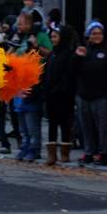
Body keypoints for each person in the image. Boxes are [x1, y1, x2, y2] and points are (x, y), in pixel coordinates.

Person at [74, 21, 107, 166]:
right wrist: (78, 58)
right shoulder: (83, 50)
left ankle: (104, 154)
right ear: (88, 35)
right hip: (84, 95)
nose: (97, 36)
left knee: (103, 127)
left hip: (101, 95)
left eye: (99, 33)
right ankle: (89, 152)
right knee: (85, 126)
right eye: (94, 33)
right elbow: (75, 71)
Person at [41, 24, 78, 164]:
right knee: (52, 123)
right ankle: (51, 153)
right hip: (51, 95)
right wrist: (46, 89)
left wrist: (59, 90)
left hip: (64, 96)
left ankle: (64, 152)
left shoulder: (69, 54)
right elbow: (47, 73)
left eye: (55, 36)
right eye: (52, 36)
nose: (53, 39)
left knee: (65, 124)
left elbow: (68, 76)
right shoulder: (52, 54)